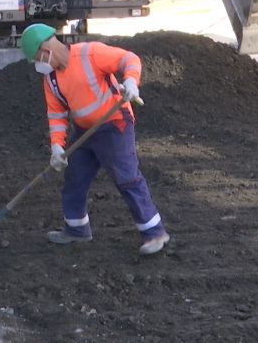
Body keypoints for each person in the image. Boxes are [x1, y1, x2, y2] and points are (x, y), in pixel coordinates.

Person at [19, 24, 170, 255]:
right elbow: (57, 115)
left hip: (114, 124)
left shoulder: (90, 53)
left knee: (127, 177)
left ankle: (154, 232)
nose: (37, 65)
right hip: (85, 131)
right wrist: (57, 146)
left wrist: (131, 82)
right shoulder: (51, 80)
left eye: (36, 58)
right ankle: (76, 229)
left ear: (45, 50)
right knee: (75, 178)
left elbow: (129, 59)